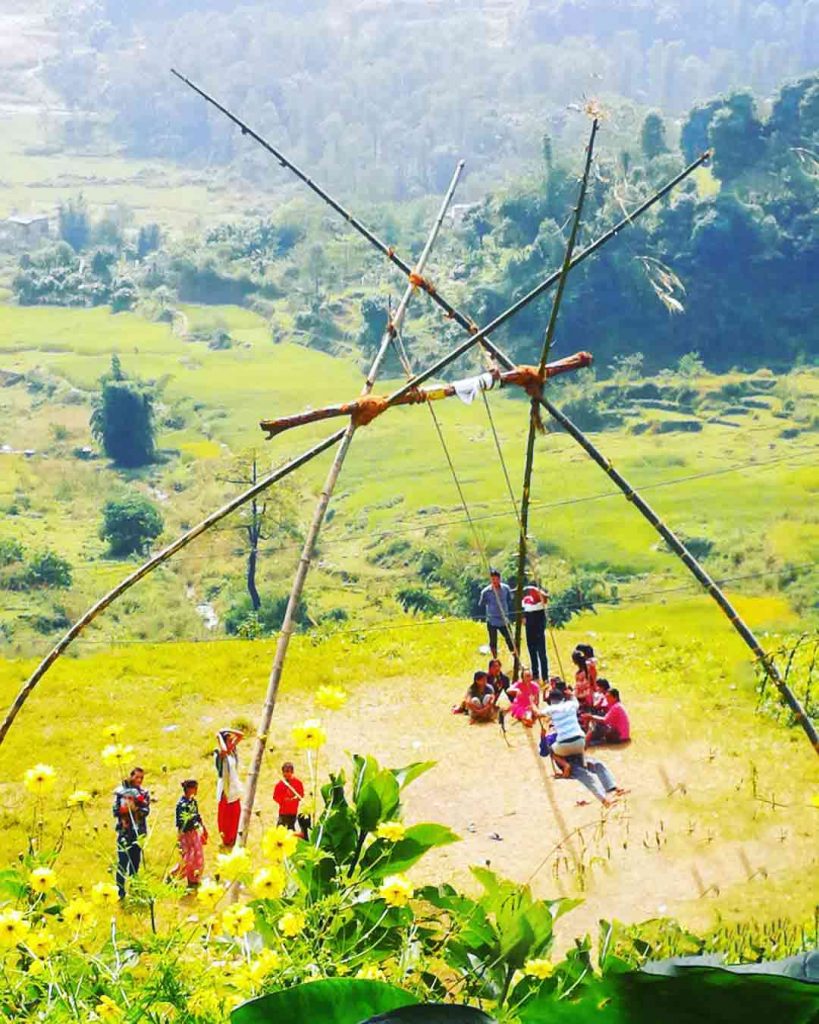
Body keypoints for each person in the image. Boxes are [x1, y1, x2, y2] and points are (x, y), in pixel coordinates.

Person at [112, 767, 150, 900]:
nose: (139, 780)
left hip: (138, 833)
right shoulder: (120, 792)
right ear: (131, 776)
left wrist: (136, 808)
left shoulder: (143, 793)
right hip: (124, 833)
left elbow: (146, 810)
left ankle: (134, 890)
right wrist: (124, 810)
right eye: (137, 777)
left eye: (141, 778)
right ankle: (120, 892)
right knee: (122, 862)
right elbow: (115, 811)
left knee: (135, 863)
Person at [171, 779, 208, 889]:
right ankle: (173, 876)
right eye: (194, 788)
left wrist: (203, 828)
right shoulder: (181, 805)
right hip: (186, 835)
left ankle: (193, 880)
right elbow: (181, 823)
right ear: (189, 789)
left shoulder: (193, 802)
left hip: (194, 834)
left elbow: (197, 816)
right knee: (187, 859)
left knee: (198, 857)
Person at [214, 728, 244, 847]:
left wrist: (227, 729)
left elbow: (241, 735)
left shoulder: (233, 751)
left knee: (235, 812)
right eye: (229, 741)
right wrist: (219, 737)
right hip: (225, 786)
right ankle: (226, 838)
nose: (232, 743)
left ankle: (234, 836)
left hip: (234, 785)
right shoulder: (219, 753)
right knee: (226, 814)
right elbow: (224, 750)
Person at [477, 569, 514, 660]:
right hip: (492, 621)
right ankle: (495, 660)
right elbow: (481, 604)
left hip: (504, 619)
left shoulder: (505, 589)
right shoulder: (486, 592)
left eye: (496, 579)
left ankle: (515, 658)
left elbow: (510, 600)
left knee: (510, 640)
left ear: (499, 579)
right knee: (493, 642)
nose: (494, 581)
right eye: (492, 579)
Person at [521, 582, 549, 681]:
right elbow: (523, 612)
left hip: (539, 630)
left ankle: (545, 676)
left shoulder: (541, 602)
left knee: (542, 653)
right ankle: (535, 674)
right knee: (532, 652)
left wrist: (538, 591)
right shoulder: (526, 600)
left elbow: (546, 598)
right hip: (529, 630)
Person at [273, 762, 304, 830]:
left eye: (288, 771)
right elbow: (275, 797)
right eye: (284, 772)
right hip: (283, 812)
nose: (286, 774)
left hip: (293, 812)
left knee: (291, 829)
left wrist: (294, 799)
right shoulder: (279, 785)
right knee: (279, 830)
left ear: (292, 772)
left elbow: (301, 795)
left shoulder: (298, 783)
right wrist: (283, 800)